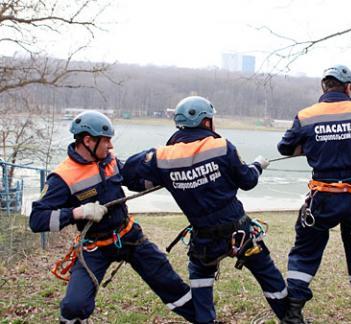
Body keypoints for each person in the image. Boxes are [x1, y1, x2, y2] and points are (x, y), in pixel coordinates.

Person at [121, 96, 288, 323]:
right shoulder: (221, 146)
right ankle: (291, 318)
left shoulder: (162, 157)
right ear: (207, 122)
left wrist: (162, 175)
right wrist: (258, 165)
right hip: (238, 231)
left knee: (200, 279)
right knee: (267, 274)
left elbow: (130, 175)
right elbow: (248, 181)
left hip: (204, 238)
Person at [29, 111, 195, 323]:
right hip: (94, 246)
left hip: (128, 236)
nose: (110, 146)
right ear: (88, 140)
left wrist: (167, 179)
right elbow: (37, 219)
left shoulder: (110, 162)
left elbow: (134, 180)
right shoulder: (62, 177)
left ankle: (203, 318)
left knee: (168, 280)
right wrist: (78, 212)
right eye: (106, 141)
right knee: (74, 305)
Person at [277, 64, 351, 323]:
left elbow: (284, 147)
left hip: (322, 197)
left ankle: (293, 310)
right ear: (349, 88)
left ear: (323, 87)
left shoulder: (306, 115)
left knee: (305, 250)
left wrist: (315, 145)